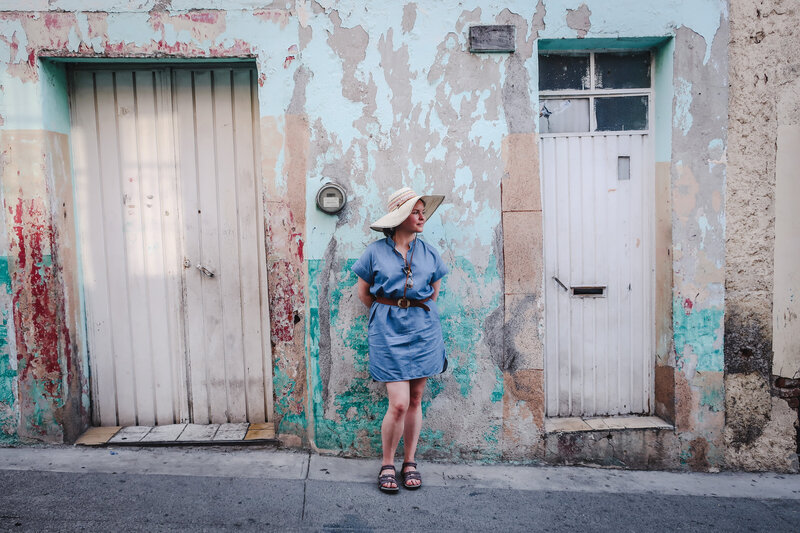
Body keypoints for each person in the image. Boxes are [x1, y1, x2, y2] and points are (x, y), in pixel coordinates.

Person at [352, 187, 448, 493]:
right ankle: (387, 464)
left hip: (424, 331)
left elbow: (434, 292)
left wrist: (413, 314)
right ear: (400, 217)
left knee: (416, 399)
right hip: (387, 331)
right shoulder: (374, 252)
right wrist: (389, 314)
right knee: (399, 403)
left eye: (423, 211)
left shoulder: (430, 252)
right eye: (415, 212)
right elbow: (364, 294)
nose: (422, 217)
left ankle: (409, 462)